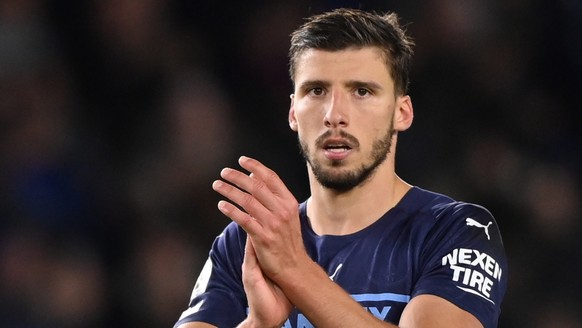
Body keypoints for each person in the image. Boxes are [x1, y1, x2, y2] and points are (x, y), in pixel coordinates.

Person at [174, 8, 507, 328]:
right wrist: (259, 324)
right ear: (293, 112)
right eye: (316, 90)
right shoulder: (250, 243)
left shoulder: (455, 231)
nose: (334, 114)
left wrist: (295, 271)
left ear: (401, 113)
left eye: (361, 91)